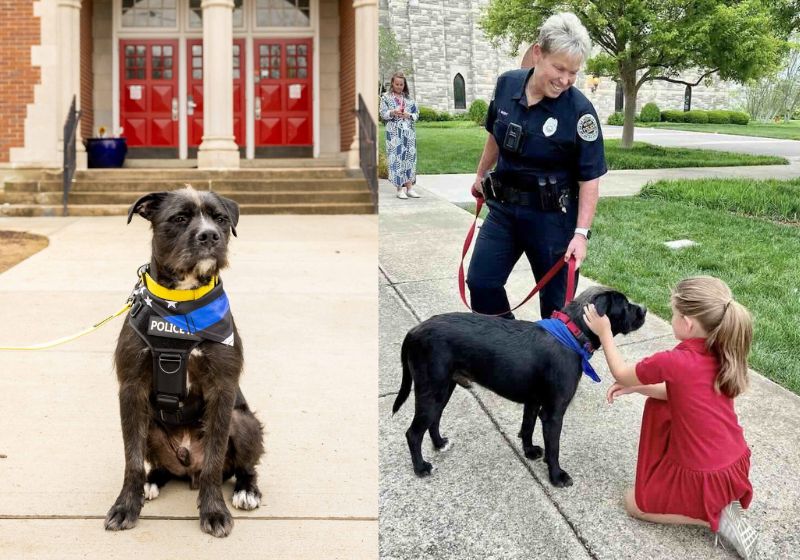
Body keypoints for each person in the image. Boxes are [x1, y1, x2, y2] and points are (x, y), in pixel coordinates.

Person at [583, 276, 758, 560]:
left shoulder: (674, 361)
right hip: (732, 462)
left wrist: (604, 332)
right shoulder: (722, 350)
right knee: (659, 402)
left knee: (633, 503)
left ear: (687, 323)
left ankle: (714, 516)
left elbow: (620, 371)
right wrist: (638, 387)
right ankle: (718, 503)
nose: (671, 317)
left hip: (705, 475)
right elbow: (680, 392)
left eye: (674, 313)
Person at [467, 12, 606, 319]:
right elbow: (495, 133)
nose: (565, 80)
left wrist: (581, 234)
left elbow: (590, 177)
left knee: (558, 310)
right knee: (481, 283)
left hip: (553, 221)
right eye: (559, 67)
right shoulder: (507, 85)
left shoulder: (579, 111)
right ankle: (511, 351)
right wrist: (481, 174)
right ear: (538, 53)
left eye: (573, 72)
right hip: (504, 209)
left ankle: (550, 364)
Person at [380, 72, 421, 199]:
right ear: (392, 83)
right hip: (394, 134)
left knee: (409, 158)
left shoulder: (409, 99)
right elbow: (382, 114)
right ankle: (399, 189)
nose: (399, 86)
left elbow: (416, 115)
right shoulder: (385, 98)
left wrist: (408, 115)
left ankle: (409, 188)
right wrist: (393, 112)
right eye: (397, 84)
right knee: (397, 159)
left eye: (401, 84)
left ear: (404, 85)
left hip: (408, 134)